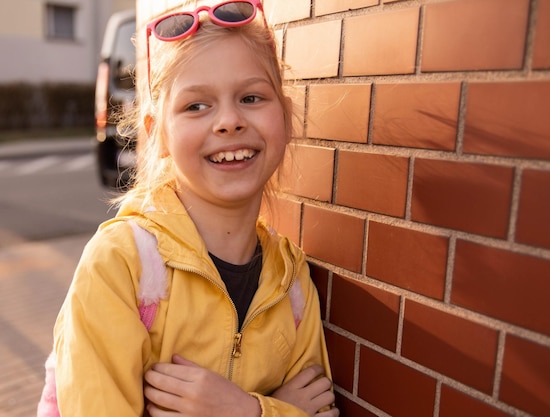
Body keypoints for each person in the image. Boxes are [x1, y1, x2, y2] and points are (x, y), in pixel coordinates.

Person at [50, 1, 339, 416]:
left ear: (287, 119)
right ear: (158, 134)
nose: (228, 121)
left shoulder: (291, 284)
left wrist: (246, 410)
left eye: (252, 97)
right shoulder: (120, 267)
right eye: (195, 106)